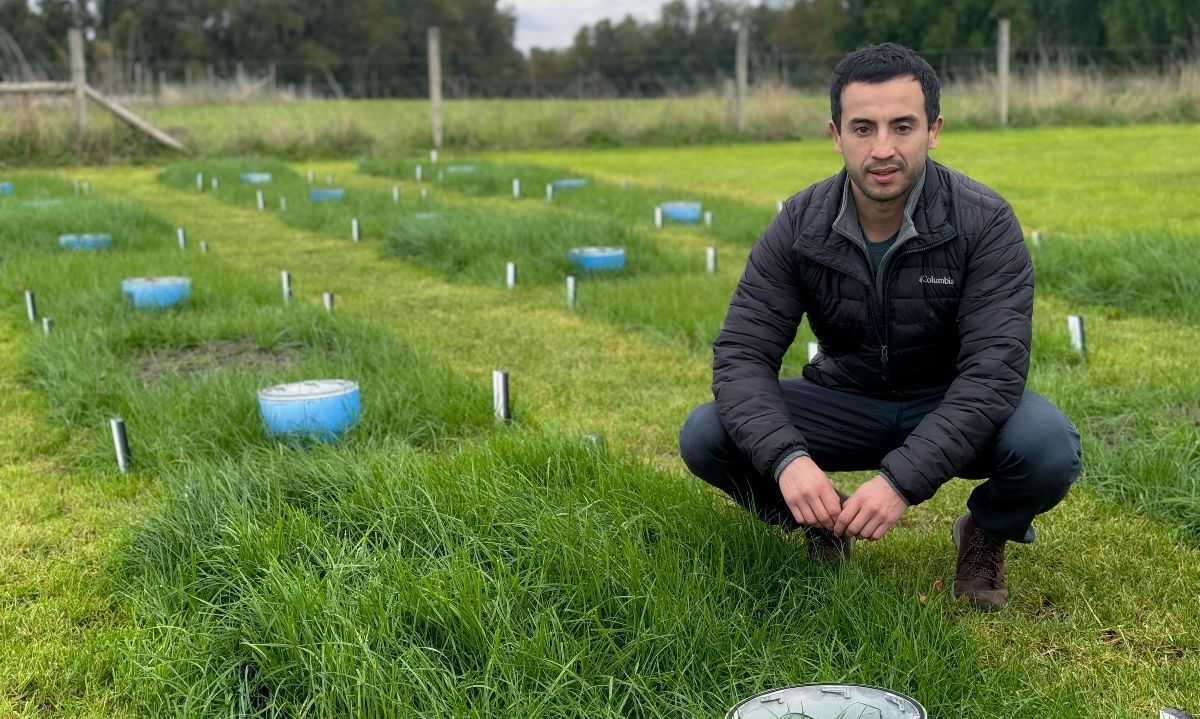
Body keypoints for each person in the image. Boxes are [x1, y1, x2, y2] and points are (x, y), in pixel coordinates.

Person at [678, 43, 1082, 611]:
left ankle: (985, 532)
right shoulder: (799, 223)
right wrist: (789, 462)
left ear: (934, 130)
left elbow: (993, 375)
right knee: (707, 434)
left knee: (1048, 446)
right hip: (847, 398)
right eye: (863, 128)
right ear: (835, 134)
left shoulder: (984, 221)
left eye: (903, 126)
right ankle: (821, 521)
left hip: (948, 400)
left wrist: (899, 483)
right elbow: (743, 353)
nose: (883, 149)